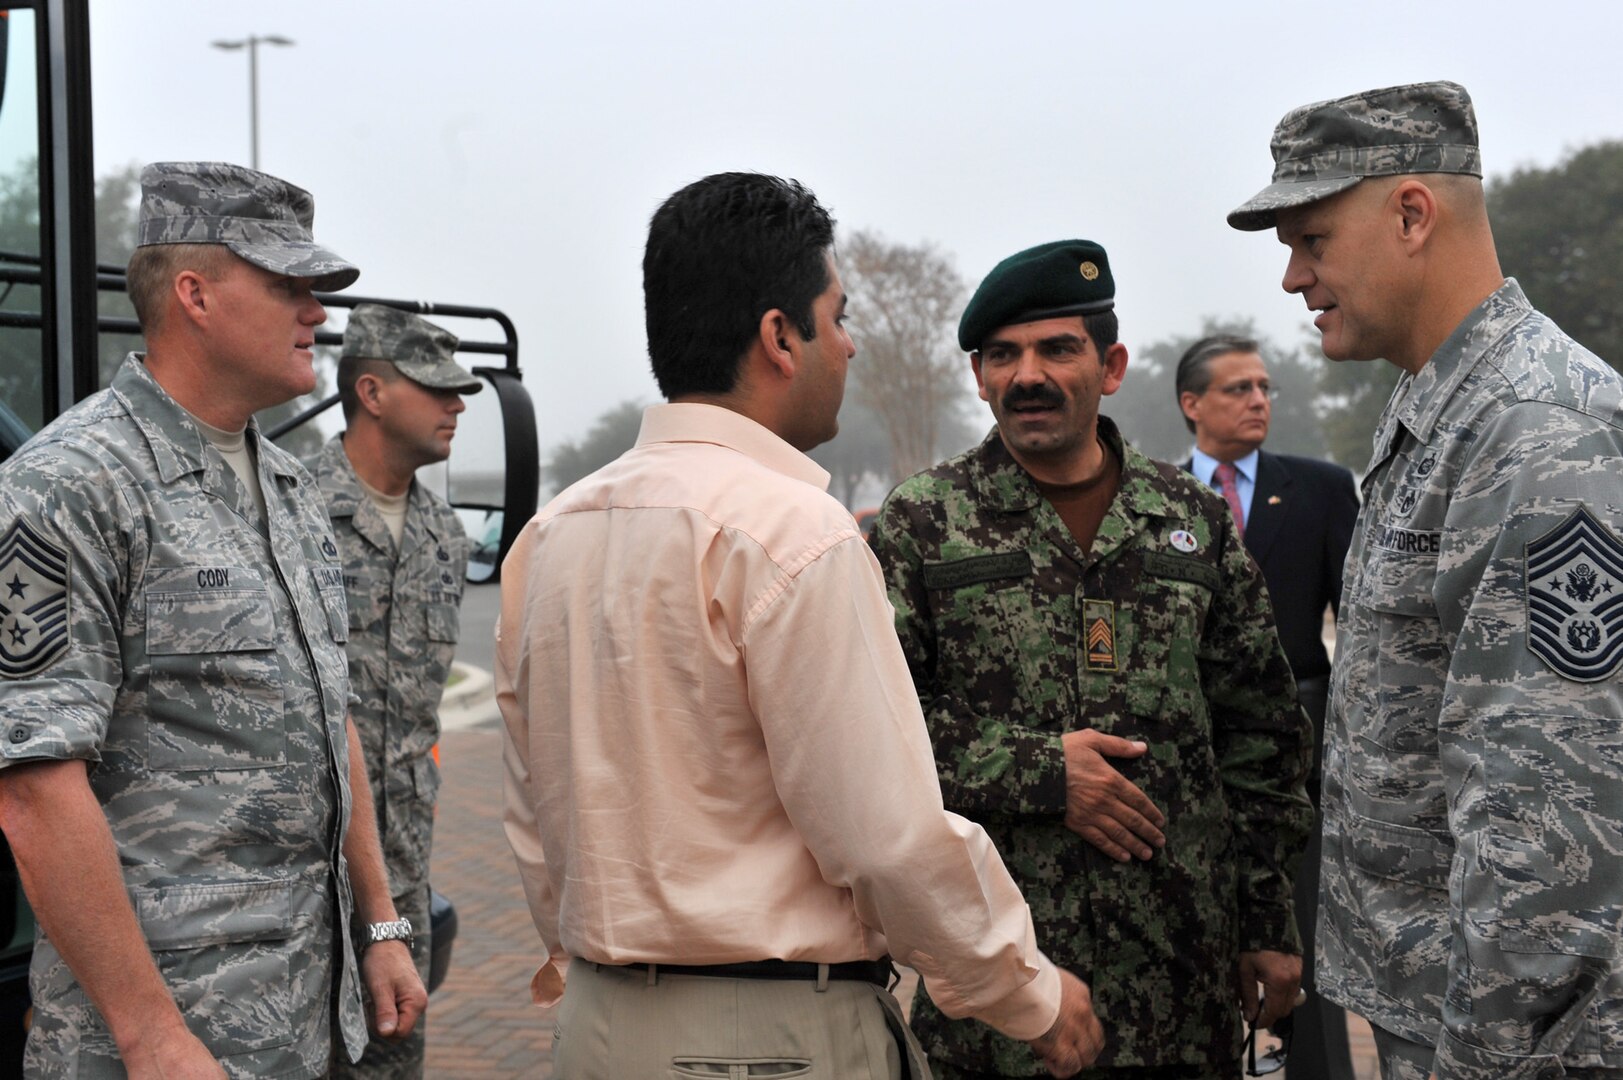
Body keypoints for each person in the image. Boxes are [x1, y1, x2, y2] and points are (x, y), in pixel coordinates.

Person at [497, 172, 1103, 1080]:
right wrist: (1029, 993)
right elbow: (883, 835)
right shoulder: (791, 531)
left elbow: (533, 813)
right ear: (781, 336)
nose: (851, 346)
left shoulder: (552, 534)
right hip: (767, 1035)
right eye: (839, 314)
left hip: (598, 1026)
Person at [1229, 80, 1623, 1080]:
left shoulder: (1539, 430)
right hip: (1436, 1005)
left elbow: (1548, 830)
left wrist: (1482, 1054)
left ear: (1411, 214)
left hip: (1502, 1039)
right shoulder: (1440, 404)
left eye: (1311, 238)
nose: (1292, 277)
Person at [0, 162, 424, 1078]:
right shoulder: (69, 485)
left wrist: (380, 922)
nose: (316, 311)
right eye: (286, 286)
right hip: (158, 1043)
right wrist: (151, 1034)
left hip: (305, 1023)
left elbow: (329, 713)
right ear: (193, 294)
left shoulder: (290, 489)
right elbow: (35, 791)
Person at [868, 240, 1313, 1079]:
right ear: (978, 376)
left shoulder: (1189, 519)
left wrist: (1266, 924)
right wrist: (1040, 772)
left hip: (1180, 979)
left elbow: (1259, 731)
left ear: (1109, 366)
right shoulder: (923, 525)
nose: (1026, 375)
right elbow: (874, 729)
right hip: (1004, 990)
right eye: (1002, 355)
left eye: (1056, 349)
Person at [1175, 333, 1358, 1079]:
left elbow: (1358, 621)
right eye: (1236, 389)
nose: (1258, 401)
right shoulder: (1155, 496)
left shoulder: (1316, 488)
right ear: (1191, 404)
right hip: (1187, 751)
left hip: (1300, 751)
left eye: (1263, 387)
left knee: (1302, 939)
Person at [309, 303, 481, 1078]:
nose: (457, 403)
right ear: (371, 393)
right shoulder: (286, 509)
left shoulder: (447, 536)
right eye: (435, 387)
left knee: (388, 1061)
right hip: (295, 878)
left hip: (401, 876)